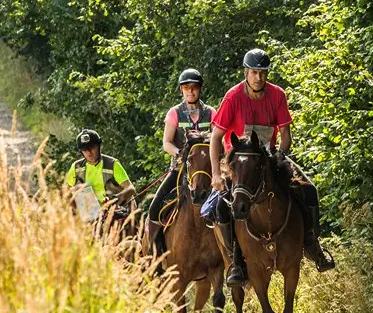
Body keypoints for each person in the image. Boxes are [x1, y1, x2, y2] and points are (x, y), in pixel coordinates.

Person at [210, 48, 335, 287]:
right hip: (239, 160)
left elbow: (285, 134)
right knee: (219, 203)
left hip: (268, 157)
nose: (259, 77)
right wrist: (217, 173)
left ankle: (312, 244)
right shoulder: (233, 97)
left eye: (263, 72)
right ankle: (235, 260)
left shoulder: (277, 95)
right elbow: (216, 137)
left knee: (309, 190)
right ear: (246, 72)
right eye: (254, 72)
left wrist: (281, 155)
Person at [147, 68, 217, 259]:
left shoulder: (211, 113)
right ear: (182, 90)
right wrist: (180, 153)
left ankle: (236, 255)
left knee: (231, 202)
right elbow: (166, 143)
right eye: (186, 87)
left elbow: (219, 139)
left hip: (207, 173)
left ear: (200, 88)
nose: (190, 91)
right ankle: (154, 253)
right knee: (154, 208)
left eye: (194, 87)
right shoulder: (174, 113)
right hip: (180, 170)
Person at [66, 129, 135, 209]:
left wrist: (118, 197)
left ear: (99, 146)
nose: (89, 152)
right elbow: (66, 193)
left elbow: (131, 188)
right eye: (85, 149)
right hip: (90, 215)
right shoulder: (75, 167)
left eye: (91, 147)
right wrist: (76, 210)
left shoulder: (112, 164)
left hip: (115, 212)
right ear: (81, 151)